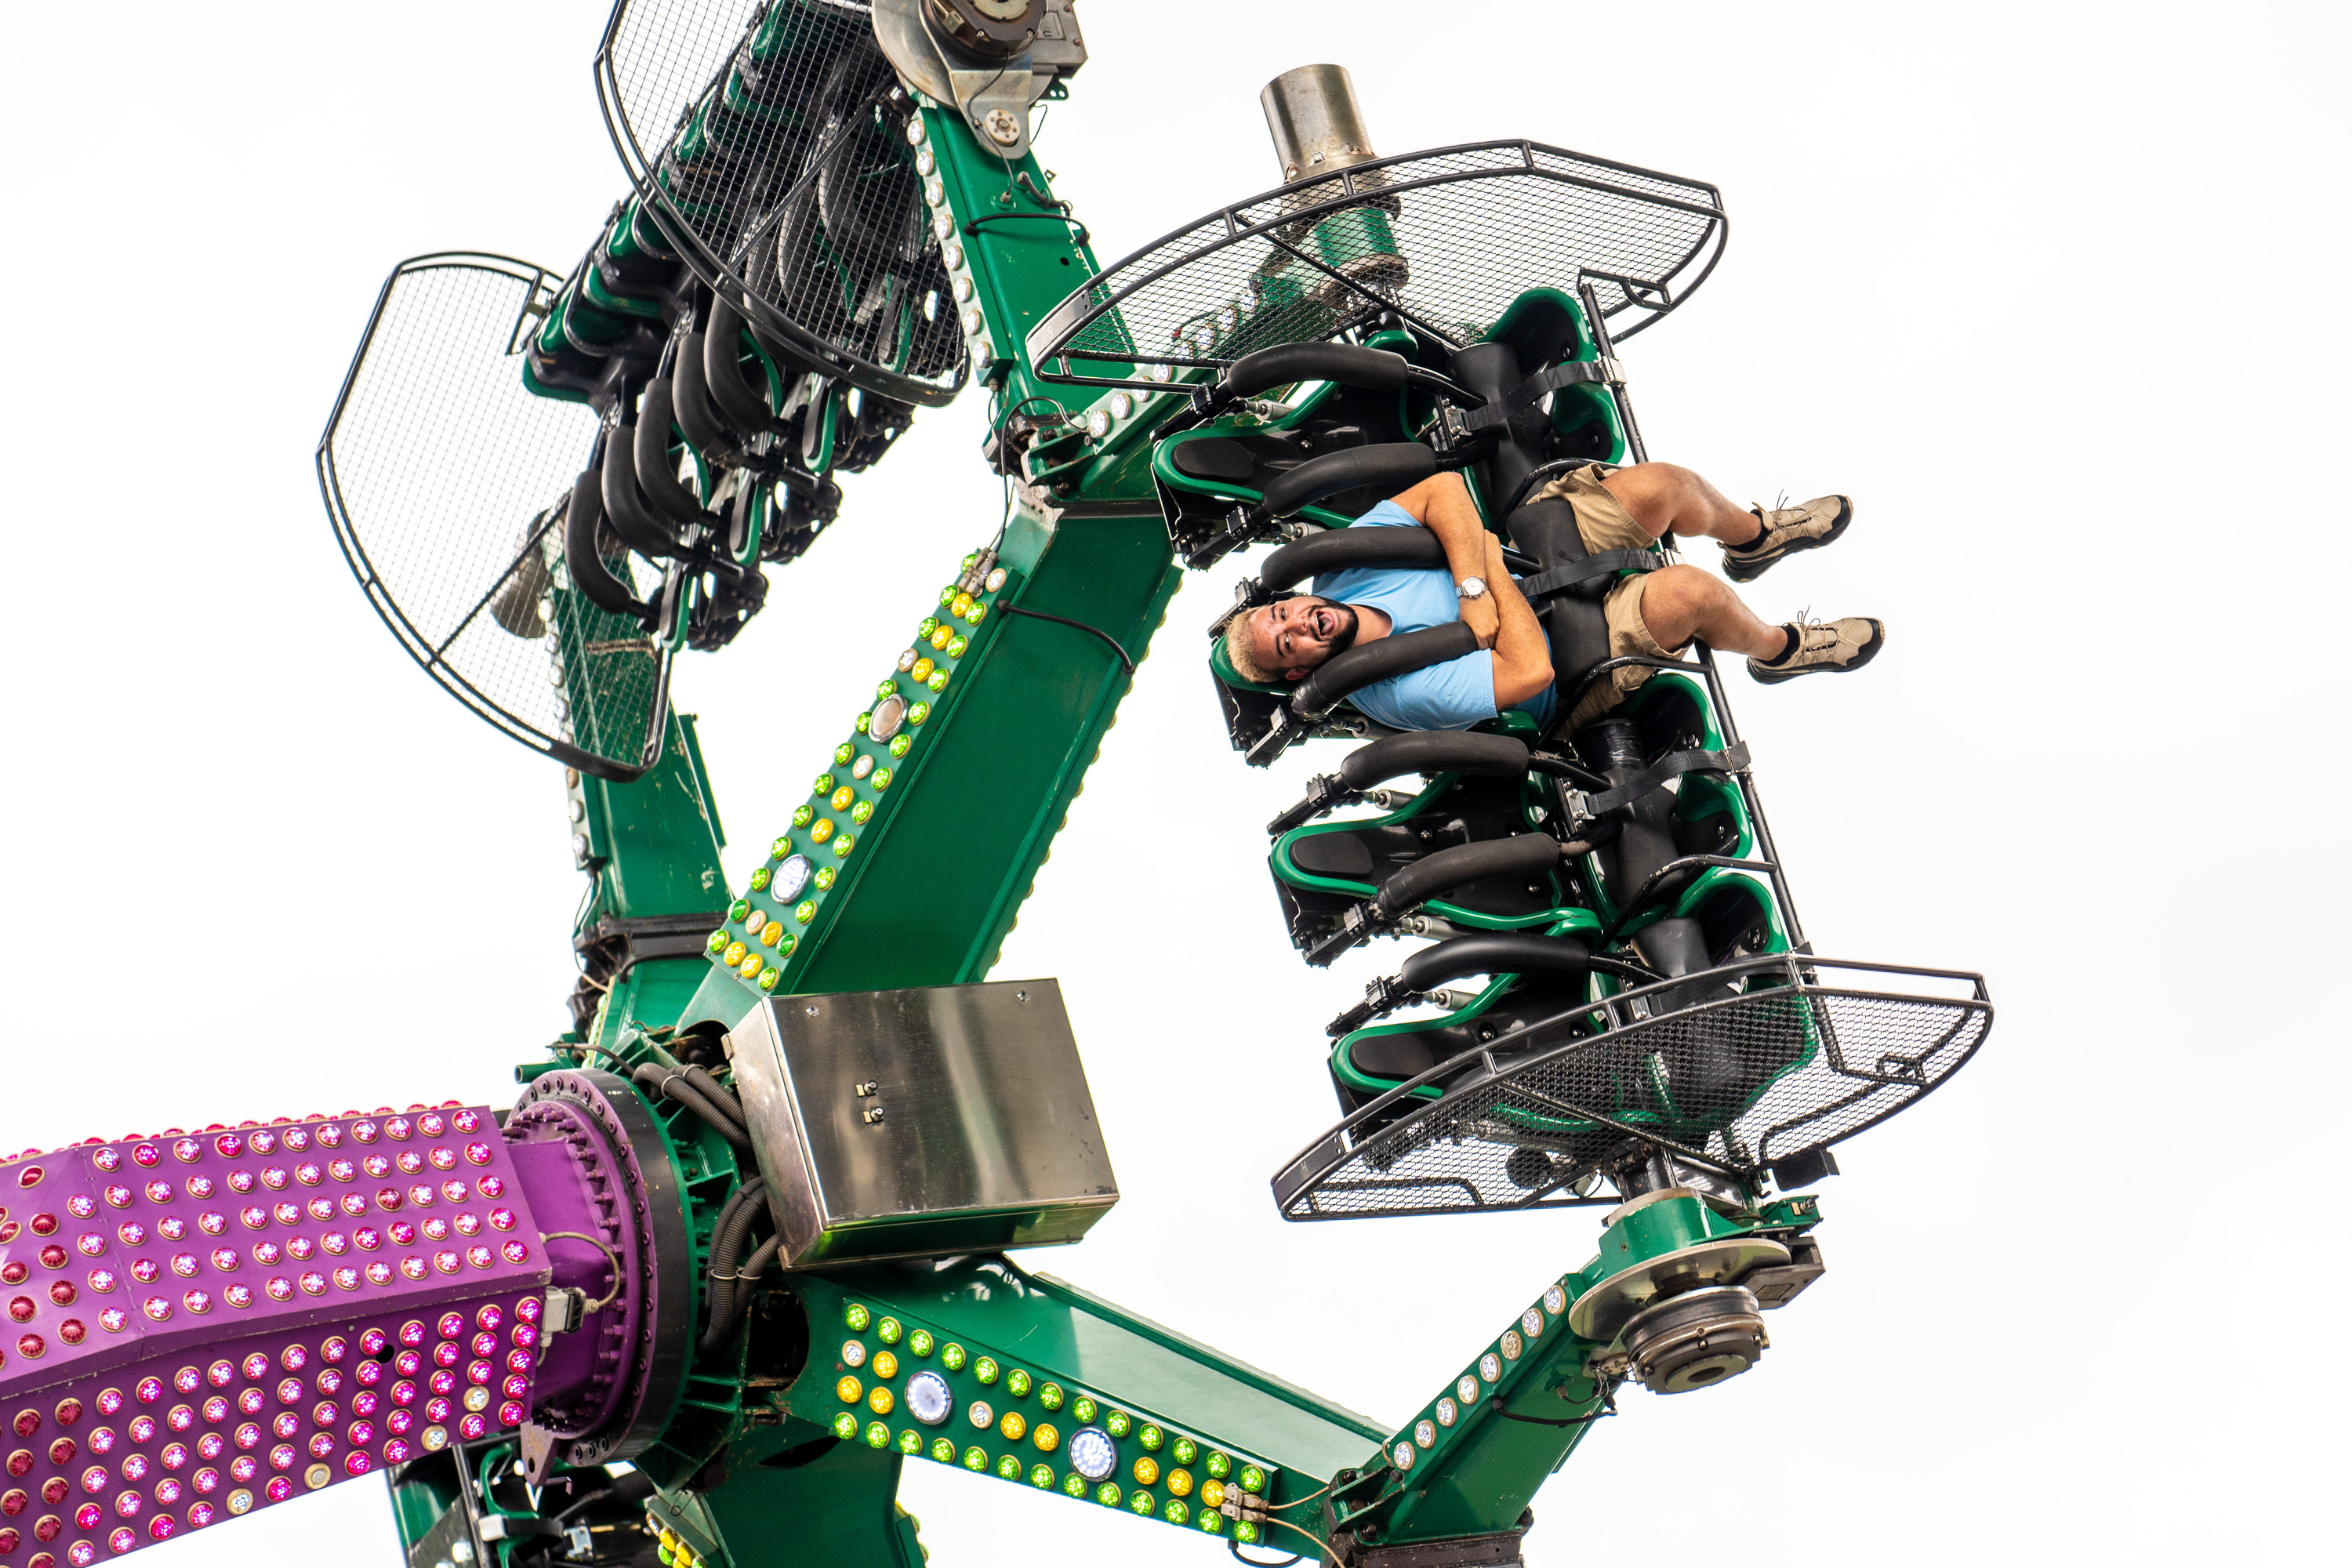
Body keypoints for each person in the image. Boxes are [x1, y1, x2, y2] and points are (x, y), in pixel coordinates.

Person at [1218, 462, 1884, 735]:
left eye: (1282, 613)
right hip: (1571, 664)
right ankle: (1780, 650)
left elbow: (1443, 490)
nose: (1298, 622)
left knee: (1663, 487)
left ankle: (1756, 538)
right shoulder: (1393, 695)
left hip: (1529, 560)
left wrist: (1476, 586)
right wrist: (1478, 560)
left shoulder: (1343, 572)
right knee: (1690, 593)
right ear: (1300, 672)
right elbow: (1530, 671)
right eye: (1288, 643)